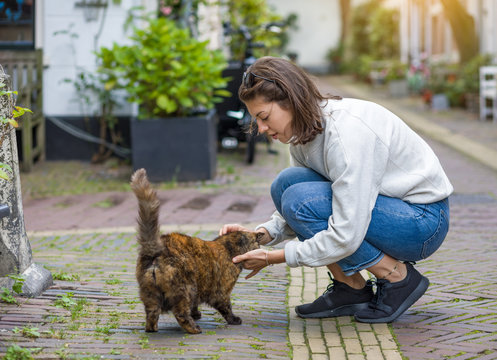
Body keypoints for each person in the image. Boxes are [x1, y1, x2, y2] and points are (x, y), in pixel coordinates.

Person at [219, 56, 453, 323]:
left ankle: (397, 277)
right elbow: (303, 205)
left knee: (299, 198)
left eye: (264, 117)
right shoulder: (302, 133)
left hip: (423, 222)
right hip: (389, 210)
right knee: (287, 184)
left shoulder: (346, 133)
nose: (260, 128)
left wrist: (274, 257)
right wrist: (260, 235)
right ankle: (351, 288)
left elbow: (346, 232)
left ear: (290, 100)